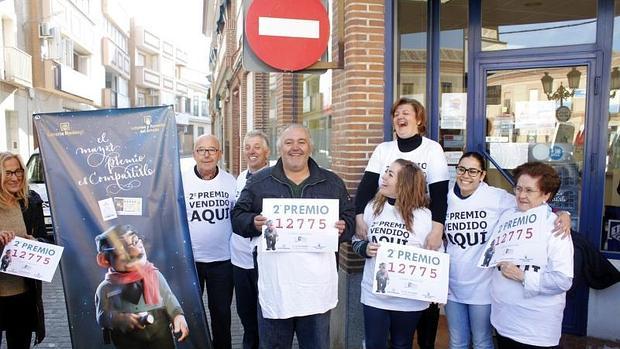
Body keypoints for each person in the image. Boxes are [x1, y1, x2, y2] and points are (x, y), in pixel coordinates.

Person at [232, 124, 355, 349]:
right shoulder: (259, 182)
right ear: (279, 148)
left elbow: (350, 220)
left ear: (310, 147)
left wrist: (343, 228)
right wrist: (252, 223)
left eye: (301, 142)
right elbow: (237, 217)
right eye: (289, 142)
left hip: (315, 290)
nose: (295, 148)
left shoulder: (332, 182)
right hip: (276, 287)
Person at [445, 152, 571, 349]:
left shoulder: (497, 198)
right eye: (461, 169)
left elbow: (536, 207)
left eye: (472, 170)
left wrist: (563, 214)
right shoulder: (447, 199)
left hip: (483, 287)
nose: (465, 175)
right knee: (457, 342)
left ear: (482, 175)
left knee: (482, 341)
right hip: (457, 286)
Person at [355, 98, 448, 348]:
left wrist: (438, 227)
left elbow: (440, 193)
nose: (400, 117)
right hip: (386, 222)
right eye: (396, 113)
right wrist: (359, 217)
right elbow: (365, 187)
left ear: (419, 119)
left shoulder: (432, 149)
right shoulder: (384, 150)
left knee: (414, 331)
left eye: (406, 112)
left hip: (419, 231)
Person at [487, 162, 573, 348]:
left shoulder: (556, 228)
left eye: (529, 190)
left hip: (535, 330)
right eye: (518, 188)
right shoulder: (507, 216)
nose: (521, 195)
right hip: (502, 321)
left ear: (546, 195)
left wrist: (523, 276)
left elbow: (562, 280)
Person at [352, 159, 434, 349]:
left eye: (390, 174)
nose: (384, 177)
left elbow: (435, 254)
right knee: (374, 344)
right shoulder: (372, 208)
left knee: (402, 344)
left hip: (409, 299)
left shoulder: (423, 216)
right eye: (385, 171)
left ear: (405, 183)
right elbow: (356, 241)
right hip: (375, 295)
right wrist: (365, 248)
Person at [94, 224, 189, 348]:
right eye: (122, 247)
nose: (134, 251)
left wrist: (177, 315)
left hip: (160, 333)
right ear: (104, 259)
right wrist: (120, 319)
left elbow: (168, 297)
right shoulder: (105, 288)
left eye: (135, 242)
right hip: (128, 338)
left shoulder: (154, 275)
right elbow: (102, 316)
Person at [182, 134, 236, 349]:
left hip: (223, 261)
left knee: (221, 315)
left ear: (220, 154)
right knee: (191, 313)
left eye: (212, 150)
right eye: (201, 150)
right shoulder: (182, 181)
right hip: (191, 261)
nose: (206, 155)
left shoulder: (230, 182)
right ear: (194, 154)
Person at [0, 152, 47, 348]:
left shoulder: (31, 202)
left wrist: (34, 241)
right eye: (8, 172)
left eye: (18, 171)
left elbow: (46, 241)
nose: (15, 177)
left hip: (23, 294)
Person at [232, 130, 270, 349]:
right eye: (247, 147)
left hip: (264, 260)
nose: (251, 151)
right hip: (240, 259)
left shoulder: (275, 179)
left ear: (267, 152)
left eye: (257, 147)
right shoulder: (239, 179)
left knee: (265, 315)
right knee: (245, 315)